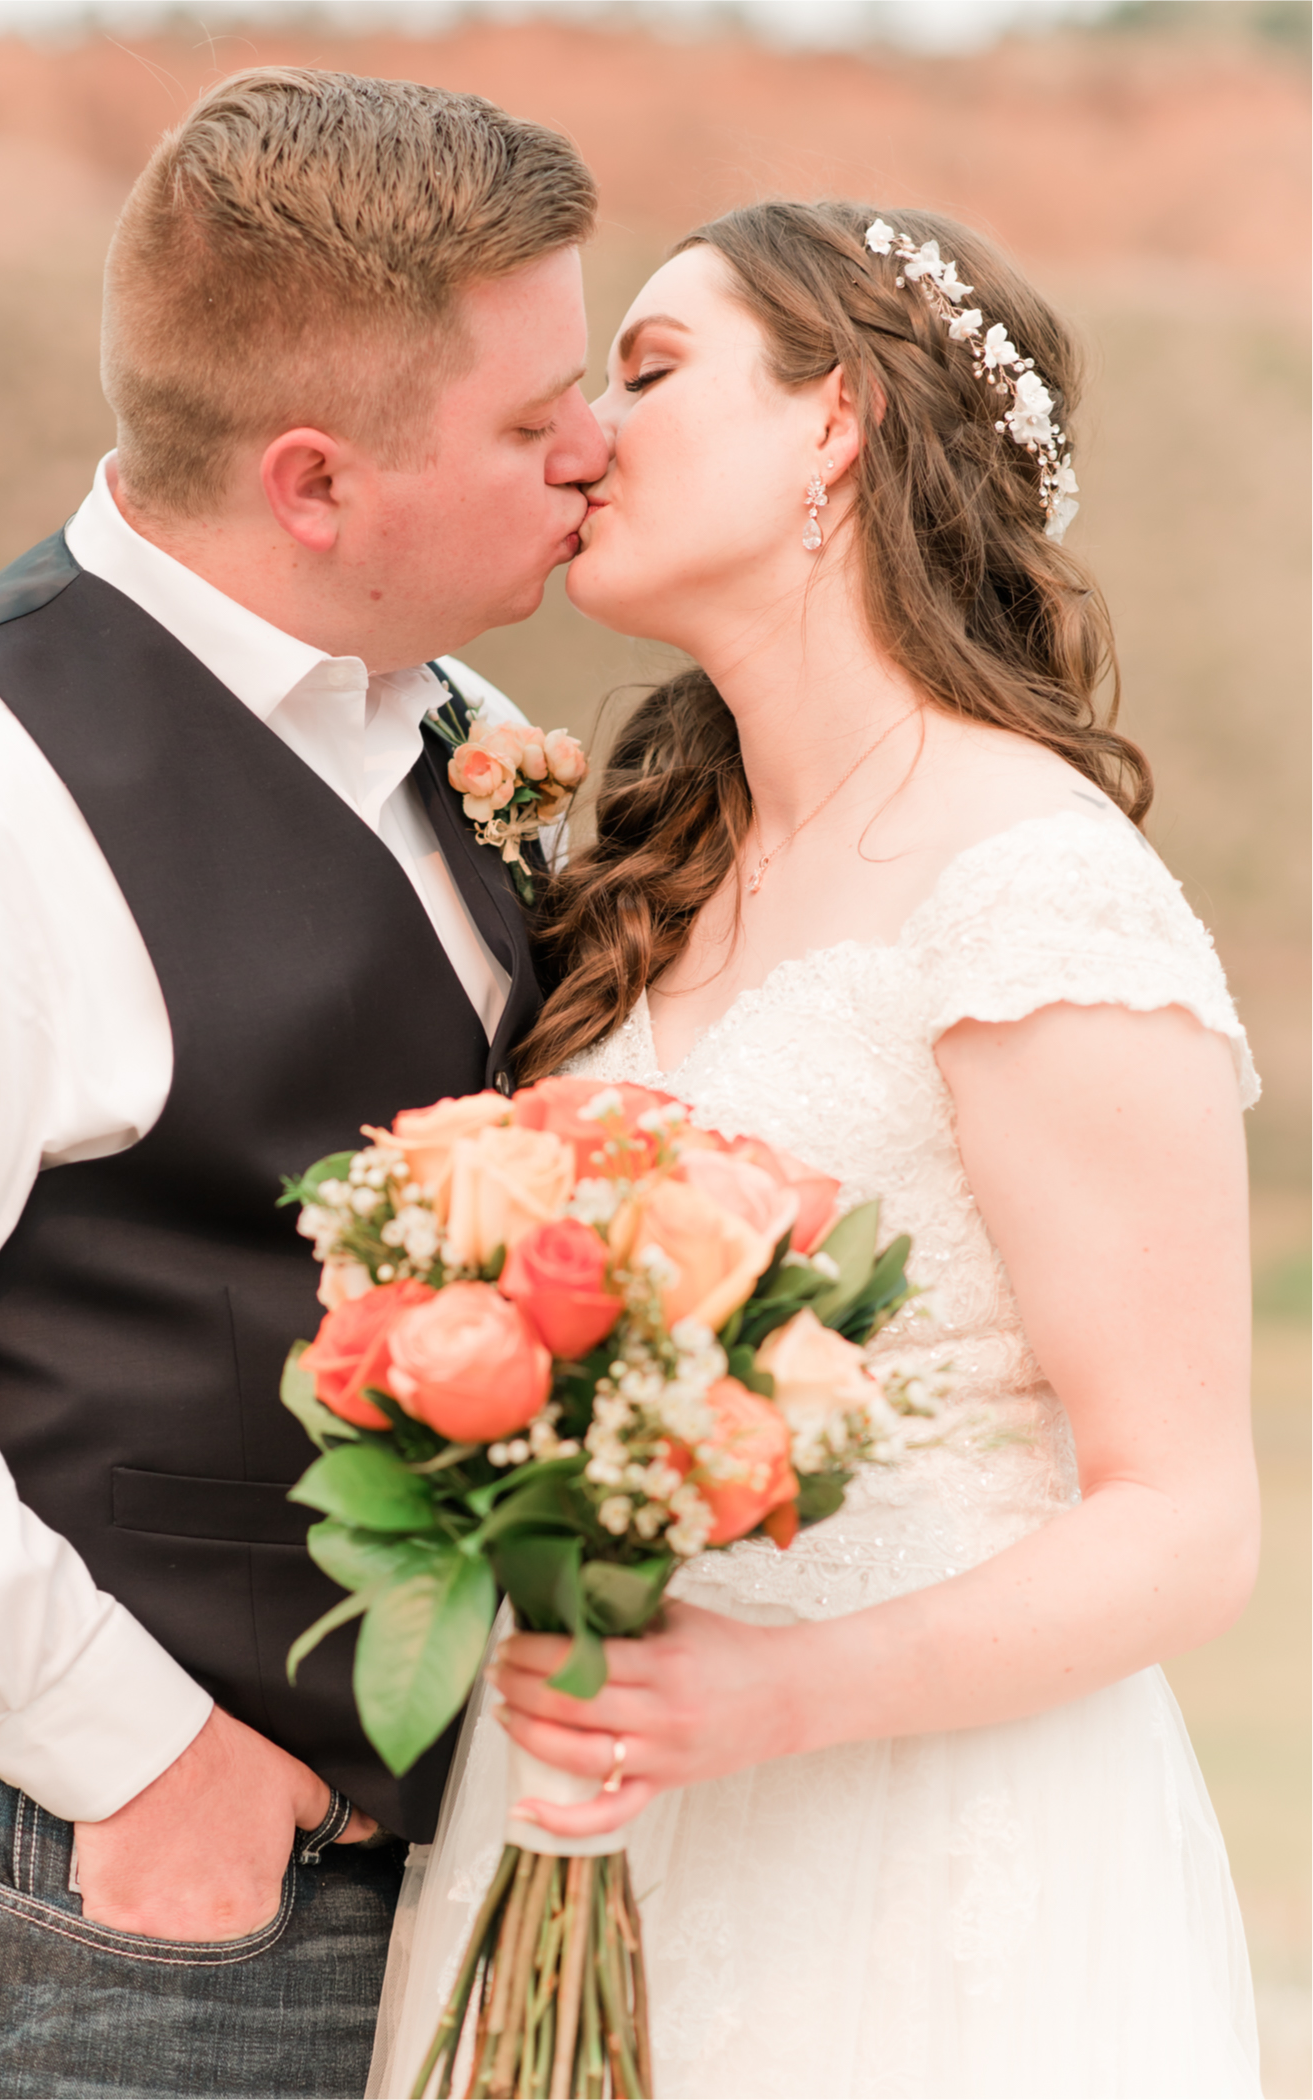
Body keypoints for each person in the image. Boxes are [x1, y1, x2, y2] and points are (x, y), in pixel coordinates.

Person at [369, 201, 1262, 2098]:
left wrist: (773, 1693)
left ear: (835, 422)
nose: (587, 433)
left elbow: (1187, 1525)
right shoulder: (656, 869)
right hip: (594, 1804)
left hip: (915, 1853)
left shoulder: (1034, 887)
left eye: (649, 372)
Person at [0, 66, 609, 2100]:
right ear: (313, 483)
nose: (596, 453)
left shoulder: (466, 723)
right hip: (76, 1888)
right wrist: (147, 1762)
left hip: (417, 1887)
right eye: (533, 421)